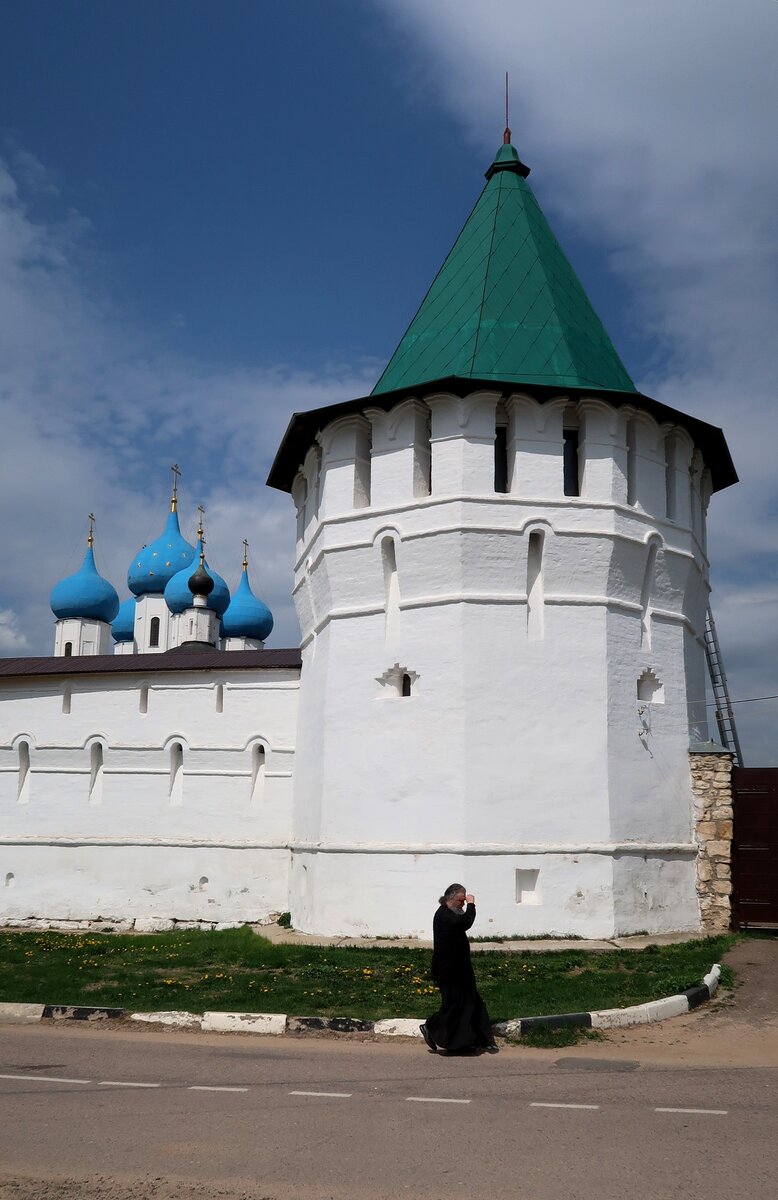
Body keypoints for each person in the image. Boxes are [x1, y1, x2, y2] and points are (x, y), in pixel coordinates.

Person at [420, 883, 497, 1054]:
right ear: (450, 899)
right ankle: (431, 1027)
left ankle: (481, 1039)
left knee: (472, 1003)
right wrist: (472, 904)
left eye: (464, 901)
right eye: (461, 900)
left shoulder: (449, 914)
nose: (463, 904)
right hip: (448, 972)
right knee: (454, 1006)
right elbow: (465, 922)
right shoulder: (445, 915)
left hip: (461, 970)